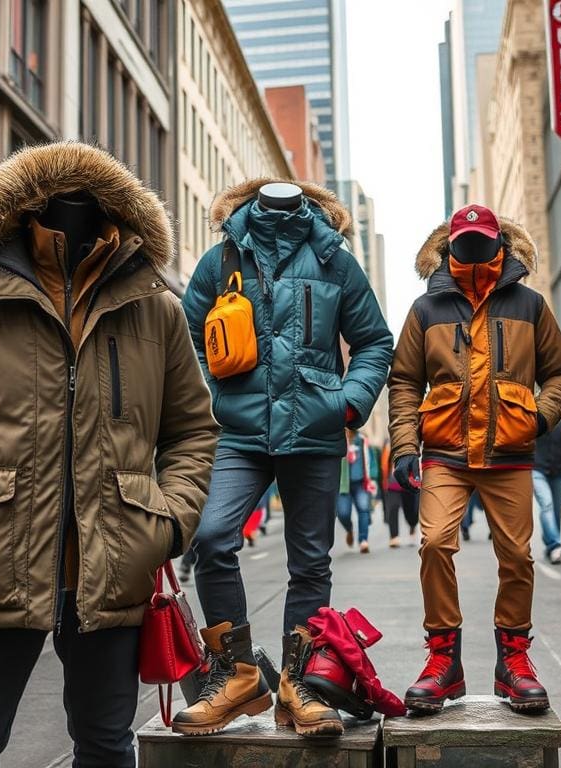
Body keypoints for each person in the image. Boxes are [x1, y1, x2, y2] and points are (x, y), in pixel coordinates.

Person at [0, 142, 219, 768]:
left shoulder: (155, 307)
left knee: (108, 747)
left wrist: (167, 522)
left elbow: (192, 430)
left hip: (113, 562)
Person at [178, 179, 393, 737]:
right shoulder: (222, 256)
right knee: (211, 536)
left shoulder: (334, 260)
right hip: (238, 432)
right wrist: (214, 397)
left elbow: (374, 342)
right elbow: (189, 340)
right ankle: (239, 674)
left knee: (310, 563)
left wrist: (348, 405)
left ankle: (296, 687)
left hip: (316, 430)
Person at [389, 204, 561, 714]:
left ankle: (513, 663)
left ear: (500, 243)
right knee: (433, 543)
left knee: (517, 557)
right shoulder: (425, 308)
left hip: (510, 452)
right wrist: (405, 445)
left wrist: (538, 418)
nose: (472, 247)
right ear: (449, 245)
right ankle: (443, 661)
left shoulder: (530, 304)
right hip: (445, 452)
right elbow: (404, 380)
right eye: (464, 239)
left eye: (481, 239)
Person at [533, 419, 561, 564]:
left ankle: (549, 543)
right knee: (547, 505)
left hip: (560, 473)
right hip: (537, 471)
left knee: (556, 511)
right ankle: (555, 545)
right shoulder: (533, 422)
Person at [336, 429, 378, 554]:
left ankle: (363, 540)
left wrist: (373, 479)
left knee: (364, 509)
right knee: (343, 513)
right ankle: (349, 529)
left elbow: (372, 461)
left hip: (361, 483)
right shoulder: (337, 439)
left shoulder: (362, 440)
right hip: (343, 484)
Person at [380, 440, 418, 548]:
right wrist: (384, 481)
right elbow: (384, 465)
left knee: (411, 510)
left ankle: (412, 524)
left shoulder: (411, 442)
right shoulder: (388, 444)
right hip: (393, 483)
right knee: (393, 507)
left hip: (408, 483)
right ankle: (394, 536)